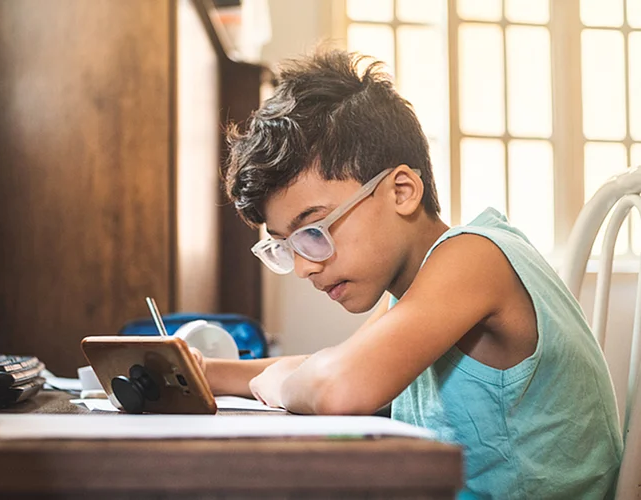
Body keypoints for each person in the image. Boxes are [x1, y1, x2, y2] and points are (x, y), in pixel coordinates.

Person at [194, 50, 622, 498]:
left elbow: (342, 385)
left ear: (402, 191)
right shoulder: (414, 287)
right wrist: (206, 373)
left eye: (314, 230)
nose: (303, 266)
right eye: (285, 246)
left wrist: (279, 383)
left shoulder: (474, 258)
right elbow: (339, 363)